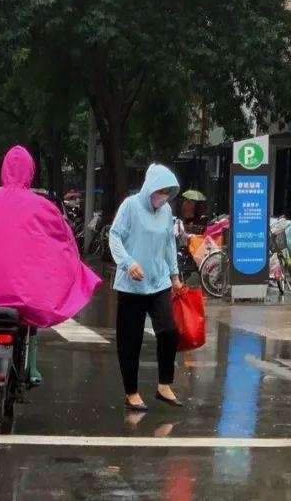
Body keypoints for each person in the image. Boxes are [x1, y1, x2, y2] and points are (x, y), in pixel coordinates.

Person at [0, 146, 101, 384]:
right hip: (26, 291)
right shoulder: (44, 206)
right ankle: (31, 366)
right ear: (30, 172)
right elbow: (63, 240)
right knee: (31, 317)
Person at [109, 164, 185, 411]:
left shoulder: (165, 211)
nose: (162, 196)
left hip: (159, 281)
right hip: (132, 285)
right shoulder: (130, 206)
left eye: (167, 192)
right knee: (130, 340)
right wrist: (127, 263)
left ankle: (164, 385)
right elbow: (115, 235)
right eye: (160, 191)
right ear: (149, 188)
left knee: (169, 331)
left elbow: (168, 245)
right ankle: (131, 392)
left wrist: (174, 275)